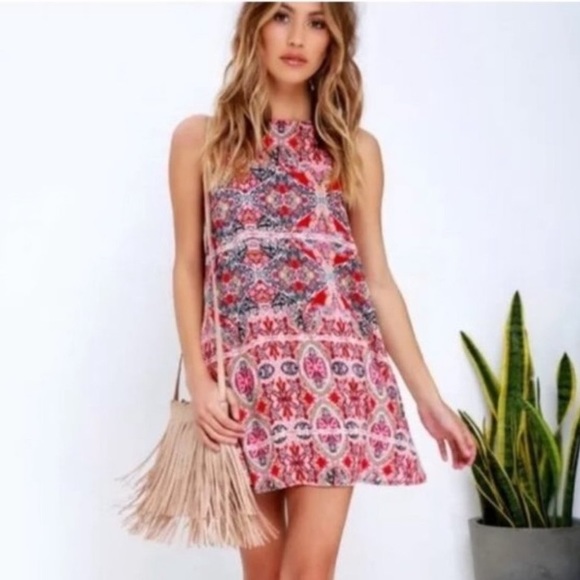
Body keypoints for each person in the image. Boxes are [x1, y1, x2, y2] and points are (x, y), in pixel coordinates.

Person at [168, 2, 477, 579]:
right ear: (254, 27)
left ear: (334, 41)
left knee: (309, 572)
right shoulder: (201, 140)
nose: (297, 38)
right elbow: (189, 266)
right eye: (281, 16)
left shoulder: (354, 149)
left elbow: (377, 281)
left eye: (317, 23)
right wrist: (201, 381)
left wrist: (430, 401)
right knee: (263, 575)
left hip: (335, 378)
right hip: (245, 385)